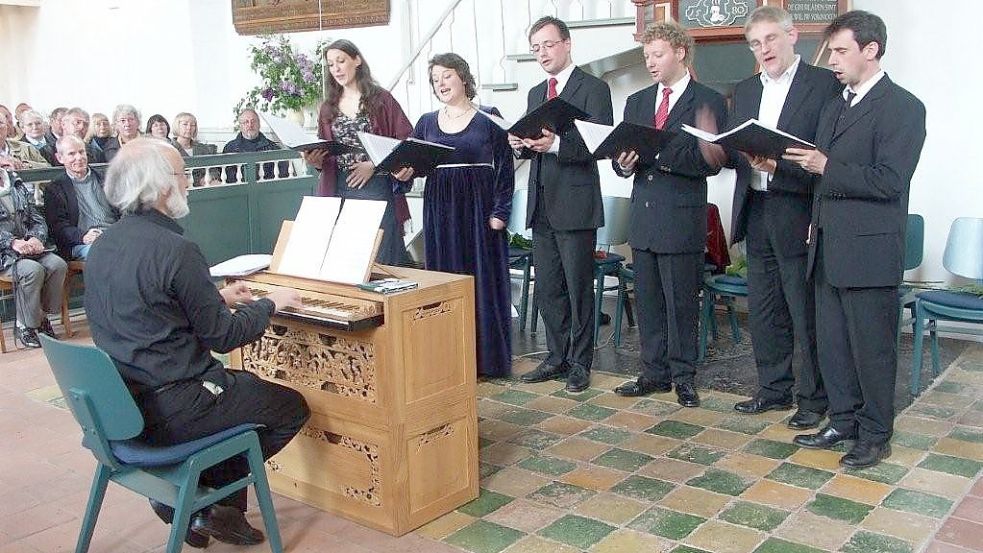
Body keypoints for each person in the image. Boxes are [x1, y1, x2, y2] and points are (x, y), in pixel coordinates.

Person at [85, 138, 311, 547]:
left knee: (240, 391)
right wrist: (269, 304)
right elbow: (224, 336)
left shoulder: (102, 245)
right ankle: (196, 495)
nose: (187, 184)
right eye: (182, 175)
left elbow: (144, 309)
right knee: (290, 407)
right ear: (161, 187)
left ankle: (212, 509)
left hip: (124, 402)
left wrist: (216, 298)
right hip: (175, 405)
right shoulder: (176, 249)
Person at [784, 10, 926, 468]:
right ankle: (842, 420)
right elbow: (821, 174)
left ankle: (875, 434)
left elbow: (889, 180)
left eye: (841, 51)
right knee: (834, 345)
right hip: (827, 245)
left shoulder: (903, 107)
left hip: (869, 250)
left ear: (872, 50)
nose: (832, 61)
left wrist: (826, 166)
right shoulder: (836, 104)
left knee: (872, 350)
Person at [728, 6, 839, 428]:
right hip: (756, 208)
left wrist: (778, 167)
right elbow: (738, 151)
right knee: (764, 307)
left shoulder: (824, 84)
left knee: (803, 308)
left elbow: (827, 155)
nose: (763, 49)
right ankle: (772, 389)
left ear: (793, 36)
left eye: (770, 39)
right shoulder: (744, 89)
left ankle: (813, 398)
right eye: (755, 43)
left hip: (798, 208)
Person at [610, 21, 727, 407]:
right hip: (643, 218)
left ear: (680, 52)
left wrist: (657, 154)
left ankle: (684, 376)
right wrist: (625, 164)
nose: (650, 62)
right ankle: (653, 373)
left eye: (657, 54)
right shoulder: (637, 102)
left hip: (681, 218)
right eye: (646, 56)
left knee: (681, 303)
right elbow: (620, 159)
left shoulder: (707, 100)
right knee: (648, 301)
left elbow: (712, 161)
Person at [393, 53, 514, 377]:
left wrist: (500, 211)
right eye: (435, 80)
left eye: (446, 76)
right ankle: (449, 359)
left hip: (479, 208)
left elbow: (505, 167)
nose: (441, 83)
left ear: (462, 76)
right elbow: (413, 165)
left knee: (481, 280)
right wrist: (404, 174)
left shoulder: (489, 117)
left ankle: (487, 359)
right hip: (441, 210)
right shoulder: (426, 122)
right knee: (444, 280)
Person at [511, 16, 613, 393]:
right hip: (542, 203)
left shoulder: (594, 88)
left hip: (575, 203)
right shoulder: (536, 92)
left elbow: (601, 145)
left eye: (548, 45)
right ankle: (556, 356)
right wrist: (519, 144)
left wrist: (555, 145)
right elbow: (531, 138)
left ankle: (581, 362)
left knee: (578, 287)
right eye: (535, 48)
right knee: (550, 288)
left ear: (567, 44)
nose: (542, 53)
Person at [304, 39, 413, 267]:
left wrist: (373, 164)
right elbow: (326, 152)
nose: (336, 69)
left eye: (341, 61)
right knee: (349, 259)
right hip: (340, 188)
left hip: (377, 185)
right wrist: (315, 161)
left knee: (383, 258)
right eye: (331, 64)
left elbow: (405, 140)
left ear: (357, 60)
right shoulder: (328, 107)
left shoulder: (382, 99)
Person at [0, 168, 68, 348]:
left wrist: (37, 237)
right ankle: (25, 325)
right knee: (32, 270)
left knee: (57, 265)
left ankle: (42, 317)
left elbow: (36, 217)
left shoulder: (15, 181)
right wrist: (12, 242)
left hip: (29, 247)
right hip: (4, 253)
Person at [44, 136, 118, 260]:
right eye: (72, 154)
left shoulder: (105, 179)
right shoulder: (55, 188)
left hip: (114, 234)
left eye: (81, 152)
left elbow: (123, 209)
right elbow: (57, 226)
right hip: (82, 242)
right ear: (60, 158)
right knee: (105, 253)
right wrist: (82, 236)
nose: (79, 157)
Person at [222, 108, 289, 183]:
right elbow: (227, 176)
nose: (250, 125)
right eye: (246, 122)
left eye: (253, 121)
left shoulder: (273, 148)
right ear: (240, 126)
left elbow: (283, 174)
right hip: (238, 192)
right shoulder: (230, 148)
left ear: (259, 124)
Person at [42, 107, 106, 165]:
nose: (81, 127)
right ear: (63, 124)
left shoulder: (96, 153)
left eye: (86, 124)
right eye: (77, 122)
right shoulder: (47, 152)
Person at [171, 112, 220, 186]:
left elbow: (214, 170)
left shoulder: (202, 148)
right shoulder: (169, 149)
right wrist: (198, 181)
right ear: (177, 126)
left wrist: (209, 177)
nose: (189, 128)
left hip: (205, 185)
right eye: (185, 124)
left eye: (193, 125)